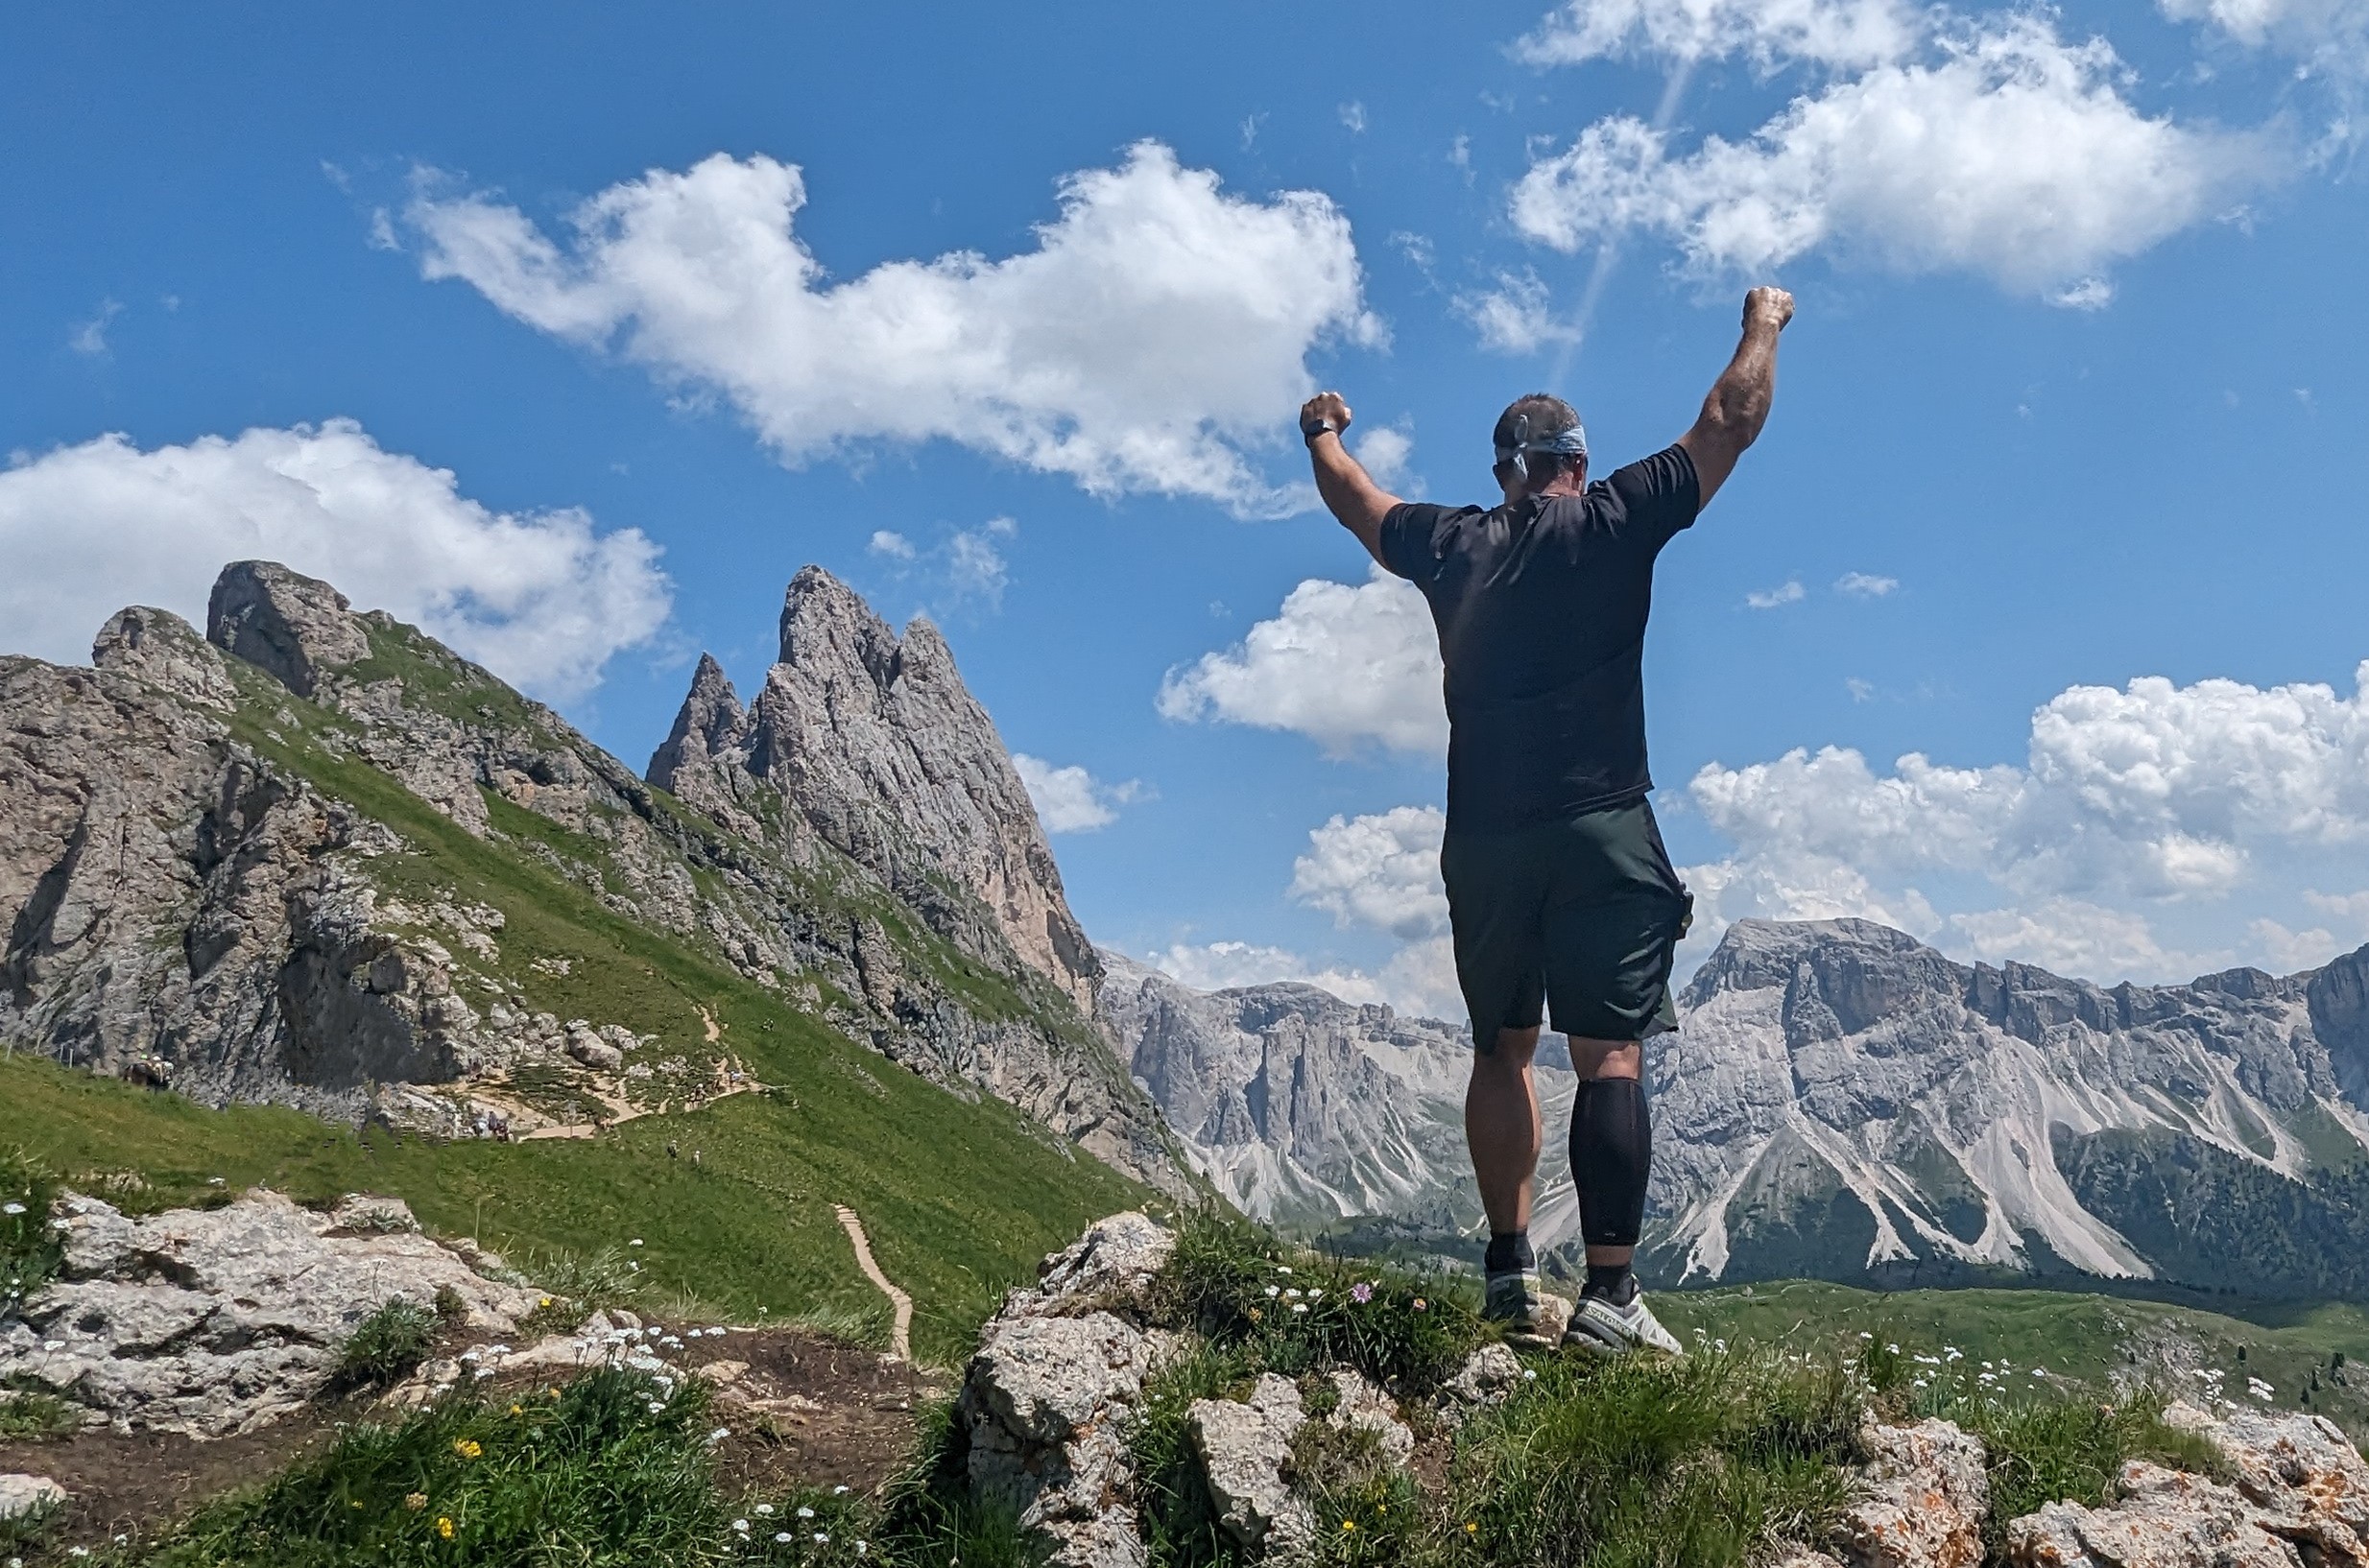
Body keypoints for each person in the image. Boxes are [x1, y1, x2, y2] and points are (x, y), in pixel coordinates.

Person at [1297, 286, 1795, 1356]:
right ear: (1574, 458)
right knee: (1607, 1053)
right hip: (1599, 821)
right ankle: (1608, 1297)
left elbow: (1352, 499)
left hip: (1482, 836)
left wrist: (1321, 428)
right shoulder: (1616, 515)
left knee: (1499, 1046)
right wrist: (1763, 323)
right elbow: (1730, 419)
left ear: (1500, 470)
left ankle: (1510, 1273)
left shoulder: (1446, 544)